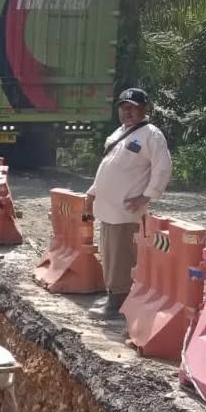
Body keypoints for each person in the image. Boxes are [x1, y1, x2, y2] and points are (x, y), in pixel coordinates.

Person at [85, 87, 172, 319]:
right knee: (110, 253)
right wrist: (92, 193)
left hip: (126, 209)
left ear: (144, 109)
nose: (128, 112)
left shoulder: (151, 135)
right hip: (108, 208)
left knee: (121, 255)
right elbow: (108, 167)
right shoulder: (119, 133)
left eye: (133, 108)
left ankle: (118, 301)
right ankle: (113, 293)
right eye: (124, 108)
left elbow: (162, 168)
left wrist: (147, 195)